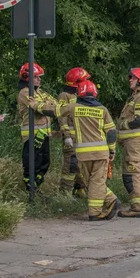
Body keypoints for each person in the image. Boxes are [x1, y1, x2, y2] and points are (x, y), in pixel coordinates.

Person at [31, 80, 119, 221]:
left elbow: (54, 111)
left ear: (80, 93)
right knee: (97, 181)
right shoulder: (103, 110)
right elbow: (111, 133)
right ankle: (103, 205)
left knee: (91, 181)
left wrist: (34, 105)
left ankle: (103, 205)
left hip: (83, 154)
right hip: (101, 153)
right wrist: (112, 151)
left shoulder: (74, 107)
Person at [115, 67, 140, 217]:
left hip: (136, 142)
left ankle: (137, 207)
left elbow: (138, 120)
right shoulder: (135, 96)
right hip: (135, 142)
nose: (129, 80)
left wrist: (121, 125)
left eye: (132, 77)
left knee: (133, 173)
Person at [17, 62, 54, 192]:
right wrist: (45, 105)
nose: (40, 79)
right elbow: (42, 109)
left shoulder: (40, 92)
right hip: (32, 135)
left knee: (45, 162)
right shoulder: (24, 92)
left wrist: (45, 104)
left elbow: (53, 104)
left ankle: (36, 187)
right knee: (32, 163)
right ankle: (31, 191)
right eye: (37, 77)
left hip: (44, 134)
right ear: (28, 77)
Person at [57, 67, 92, 195]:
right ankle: (65, 193)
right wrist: (66, 135)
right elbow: (62, 116)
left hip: (82, 136)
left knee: (81, 164)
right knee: (70, 165)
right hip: (71, 137)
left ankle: (79, 189)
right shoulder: (64, 95)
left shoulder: (81, 95)